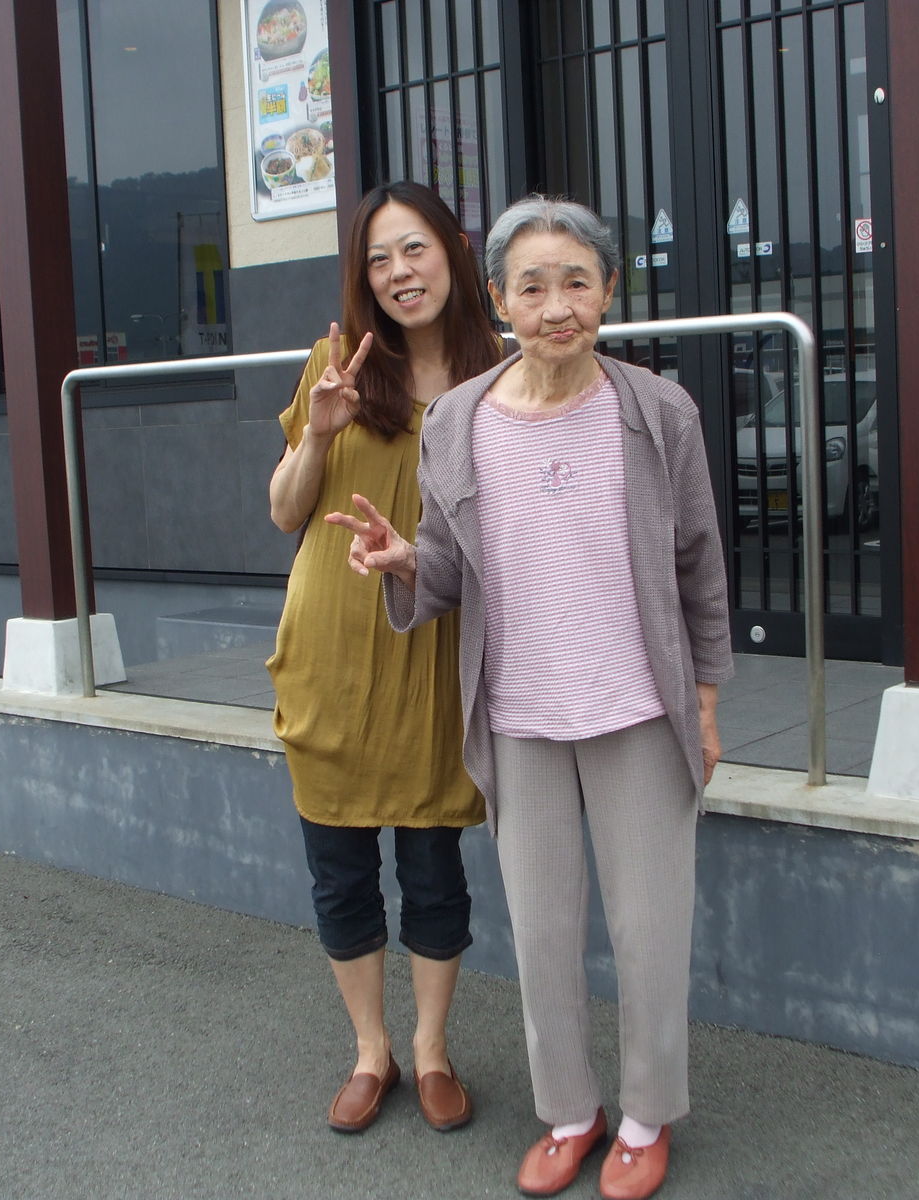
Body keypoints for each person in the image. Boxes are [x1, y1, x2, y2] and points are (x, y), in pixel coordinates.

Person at [326, 195, 733, 1200]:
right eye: (533, 286)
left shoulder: (657, 412)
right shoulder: (461, 420)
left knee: (648, 932)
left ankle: (644, 1116)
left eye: (577, 282)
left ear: (607, 291)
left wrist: (708, 699)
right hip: (519, 718)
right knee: (544, 938)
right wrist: (399, 561)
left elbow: (697, 567)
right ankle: (570, 1111)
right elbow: (452, 568)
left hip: (638, 708)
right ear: (498, 297)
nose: (557, 306)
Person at [266, 181, 502, 1135]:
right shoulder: (339, 367)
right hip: (330, 648)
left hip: (433, 648)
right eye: (378, 258)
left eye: (415, 249)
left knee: (435, 868)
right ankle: (373, 1053)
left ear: (453, 250)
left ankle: (435, 1049)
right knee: (340, 869)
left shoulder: (500, 382)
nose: (400, 272)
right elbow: (286, 512)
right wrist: (319, 433)